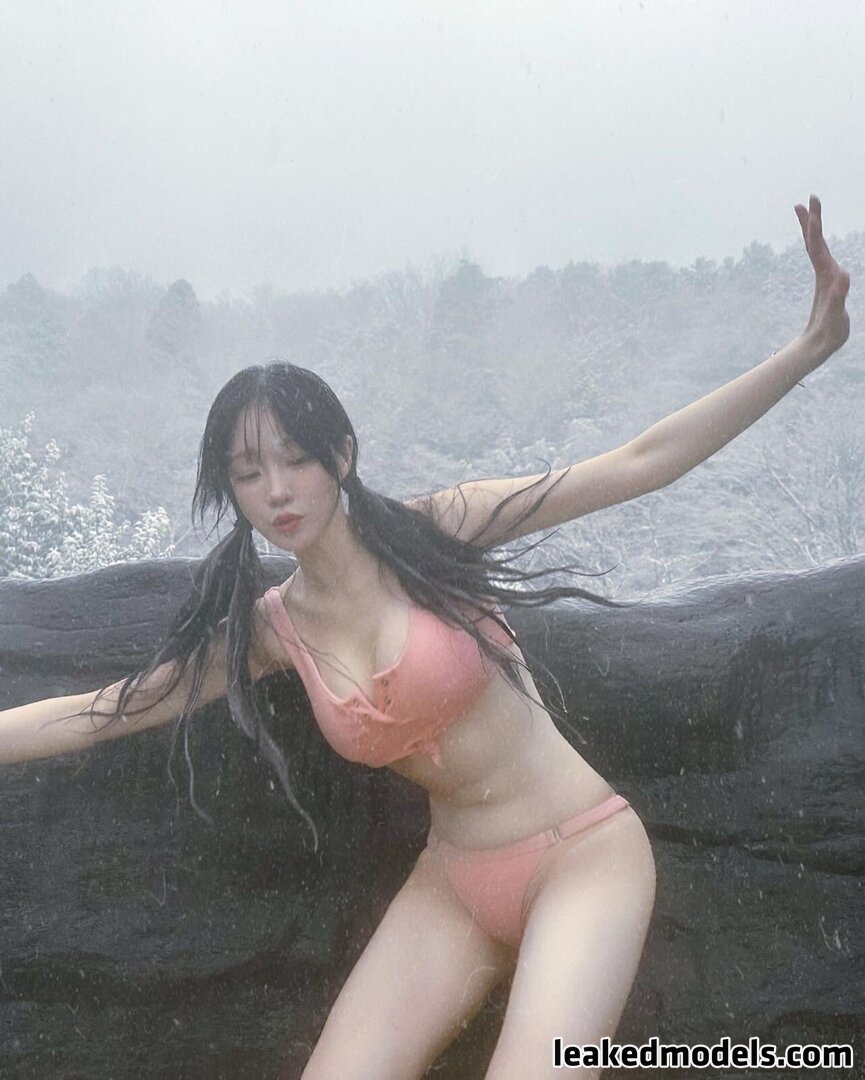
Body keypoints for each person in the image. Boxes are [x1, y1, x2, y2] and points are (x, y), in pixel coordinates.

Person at [0, 196, 851, 1079]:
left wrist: (804, 351)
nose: (277, 490)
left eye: (295, 458)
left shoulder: (435, 529)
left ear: (341, 454)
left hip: (583, 857)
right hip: (452, 886)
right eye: (249, 472)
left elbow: (639, 463)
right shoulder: (273, 628)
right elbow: (109, 710)